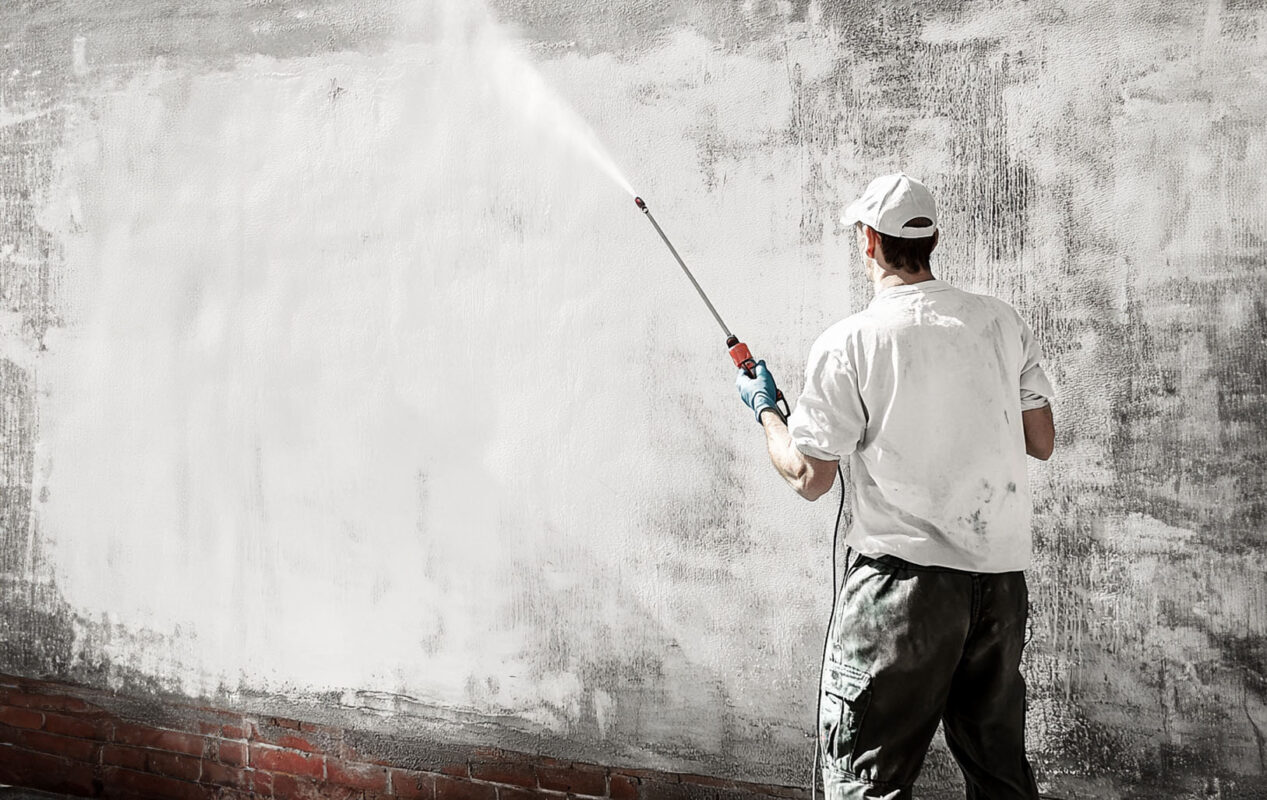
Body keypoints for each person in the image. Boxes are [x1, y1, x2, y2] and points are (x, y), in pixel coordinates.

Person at [735, 172, 1055, 799]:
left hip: (900, 594)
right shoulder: (1001, 322)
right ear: (930, 240)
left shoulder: (850, 342)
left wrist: (766, 410)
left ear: (868, 243)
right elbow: (1041, 441)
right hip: (998, 590)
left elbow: (809, 477)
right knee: (1000, 778)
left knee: (865, 781)